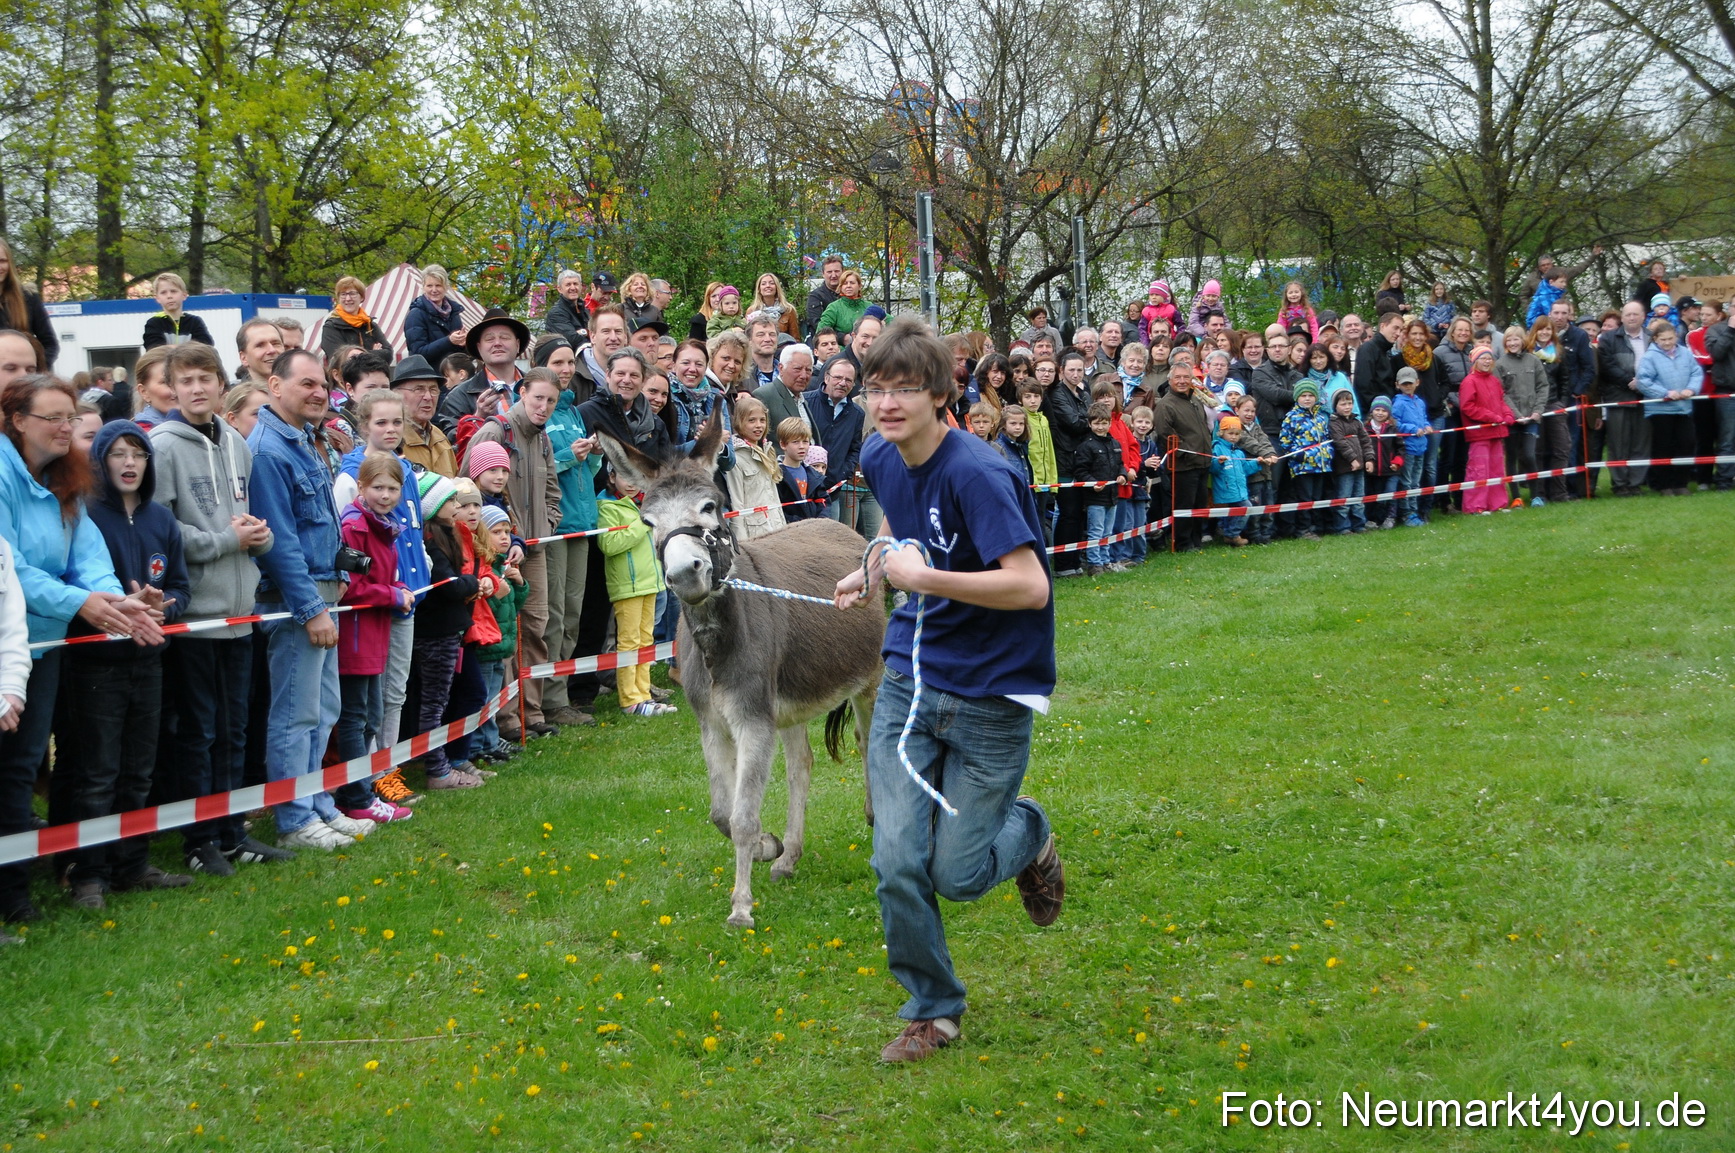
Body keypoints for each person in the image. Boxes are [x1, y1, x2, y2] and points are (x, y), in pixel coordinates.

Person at [830, 316, 1060, 1065]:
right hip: (910, 678)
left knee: (956, 875)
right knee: (896, 858)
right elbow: (903, 530)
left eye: (904, 389)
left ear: (939, 394)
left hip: (993, 692)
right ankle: (933, 1007)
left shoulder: (979, 473)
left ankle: (1030, 831)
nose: (886, 403)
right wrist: (871, 567)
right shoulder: (879, 452)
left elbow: (1028, 585)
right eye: (876, 388)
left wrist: (923, 578)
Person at [0, 375, 166, 923]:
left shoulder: (67, 476)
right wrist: (82, 603)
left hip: (43, 645)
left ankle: (14, 895)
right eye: (52, 419)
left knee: (21, 770)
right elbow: (11, 568)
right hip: (10, 638)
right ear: (17, 421)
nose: (64, 429)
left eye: (69, 419)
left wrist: (118, 602)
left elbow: (88, 556)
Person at [149, 342, 284, 874]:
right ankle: (198, 840)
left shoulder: (235, 441)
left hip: (240, 611)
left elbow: (243, 511)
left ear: (221, 384)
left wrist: (257, 536)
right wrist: (226, 541)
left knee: (233, 731)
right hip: (196, 618)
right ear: (172, 389)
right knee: (198, 732)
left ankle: (232, 832)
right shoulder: (162, 446)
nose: (197, 388)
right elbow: (160, 529)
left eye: (205, 378)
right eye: (185, 380)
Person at [50, 419, 192, 909]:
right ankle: (88, 873)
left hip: (149, 660)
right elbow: (71, 584)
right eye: (118, 454)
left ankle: (132, 863)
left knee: (138, 771)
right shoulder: (83, 514)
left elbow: (180, 586)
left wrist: (163, 605)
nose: (130, 463)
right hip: (95, 663)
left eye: (139, 454)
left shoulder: (161, 520)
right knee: (97, 772)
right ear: (100, 460)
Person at [247, 349, 377, 850]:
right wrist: (311, 608)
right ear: (275, 386)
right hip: (296, 600)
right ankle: (295, 820)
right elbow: (278, 542)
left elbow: (320, 524)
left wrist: (340, 574)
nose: (319, 393)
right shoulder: (268, 452)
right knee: (296, 713)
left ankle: (320, 804)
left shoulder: (305, 440)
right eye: (306, 384)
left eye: (322, 384)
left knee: (324, 710)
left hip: (324, 590)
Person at [465, 371, 563, 737]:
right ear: (522, 393)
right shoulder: (496, 432)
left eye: (551, 401)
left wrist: (545, 526)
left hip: (533, 551)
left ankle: (531, 713)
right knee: (502, 632)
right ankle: (504, 719)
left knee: (536, 628)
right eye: (538, 397)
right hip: (492, 555)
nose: (543, 406)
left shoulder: (543, 438)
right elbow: (466, 491)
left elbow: (553, 491)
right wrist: (498, 540)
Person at [332, 452, 415, 823]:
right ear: (361, 487)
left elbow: (384, 576)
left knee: (371, 717)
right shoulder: (355, 526)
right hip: (354, 636)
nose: (385, 495)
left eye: (393, 489)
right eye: (378, 487)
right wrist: (392, 595)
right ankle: (356, 797)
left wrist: (399, 586)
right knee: (355, 718)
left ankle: (356, 792)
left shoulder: (384, 524)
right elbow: (350, 587)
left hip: (375, 634)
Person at [410, 473, 487, 788]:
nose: (458, 506)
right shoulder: (431, 542)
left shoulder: (447, 535)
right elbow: (448, 585)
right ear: (434, 505)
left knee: (458, 695)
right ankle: (438, 769)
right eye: (452, 500)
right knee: (435, 702)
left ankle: (452, 758)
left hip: (451, 631)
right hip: (436, 632)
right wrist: (472, 583)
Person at [540, 347, 600, 727]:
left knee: (572, 615)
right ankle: (550, 699)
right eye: (556, 362)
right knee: (554, 615)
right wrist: (567, 455)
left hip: (582, 522)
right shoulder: (536, 410)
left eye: (569, 362)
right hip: (555, 528)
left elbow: (586, 472)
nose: (565, 369)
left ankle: (560, 696)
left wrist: (592, 455)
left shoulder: (573, 411)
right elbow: (539, 466)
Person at [596, 466, 673, 717]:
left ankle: (644, 694)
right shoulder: (607, 507)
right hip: (627, 586)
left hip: (651, 581)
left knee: (646, 640)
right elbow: (609, 544)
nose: (630, 483)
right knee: (629, 642)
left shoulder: (644, 504)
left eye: (634, 478)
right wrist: (642, 524)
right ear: (611, 477)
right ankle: (630, 700)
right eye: (623, 477)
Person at [472, 504, 527, 762]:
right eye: (497, 532)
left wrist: (519, 584)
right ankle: (478, 746)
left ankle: (491, 741)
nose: (505, 537)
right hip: (485, 646)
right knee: (482, 698)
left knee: (493, 698)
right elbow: (483, 609)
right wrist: (497, 593)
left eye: (507, 531)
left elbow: (515, 606)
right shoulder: (484, 570)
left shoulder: (502, 566)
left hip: (501, 646)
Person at [1148, 352, 1212, 551]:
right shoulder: (1165, 405)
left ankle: (1196, 540)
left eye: (1186, 377)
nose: (1182, 381)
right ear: (1170, 380)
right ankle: (1183, 542)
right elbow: (1166, 435)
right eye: (1178, 377)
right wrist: (1186, 453)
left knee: (1200, 505)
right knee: (1184, 506)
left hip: (1202, 463)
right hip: (1183, 466)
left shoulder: (1195, 400)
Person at [1636, 321, 1703, 495]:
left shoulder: (1685, 353)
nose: (1667, 342)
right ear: (1655, 339)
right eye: (1663, 339)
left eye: (1670, 339)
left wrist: (1691, 389)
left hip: (1683, 408)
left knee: (1686, 444)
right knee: (1663, 447)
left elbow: (1696, 372)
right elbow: (1643, 381)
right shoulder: (1649, 357)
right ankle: (1664, 485)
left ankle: (1681, 483)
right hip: (1660, 410)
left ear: (1676, 337)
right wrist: (1665, 393)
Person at [438, 308, 529, 435]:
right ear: (479, 348)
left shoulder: (537, 386)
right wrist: (478, 418)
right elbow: (451, 441)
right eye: (489, 339)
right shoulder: (458, 396)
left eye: (504, 337)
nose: (497, 343)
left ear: (517, 345)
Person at [1041, 351, 1092, 571]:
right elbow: (1074, 423)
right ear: (1062, 371)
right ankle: (1063, 564)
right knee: (1068, 513)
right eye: (1071, 369)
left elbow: (1091, 417)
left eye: (1080, 370)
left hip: (1080, 460)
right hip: (1063, 459)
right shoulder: (1057, 394)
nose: (1076, 374)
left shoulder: (1083, 392)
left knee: (1078, 513)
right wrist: (1089, 420)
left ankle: (1074, 561)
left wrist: (1087, 420)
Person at [1596, 302, 1652, 495]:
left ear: (1643, 316)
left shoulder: (1652, 337)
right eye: (1628, 314)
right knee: (1618, 443)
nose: (1632, 318)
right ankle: (1620, 484)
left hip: (1646, 397)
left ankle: (1635, 483)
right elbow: (1607, 365)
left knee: (1641, 443)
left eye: (1636, 314)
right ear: (1622, 317)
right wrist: (1629, 381)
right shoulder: (1609, 338)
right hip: (1619, 396)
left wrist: (1644, 384)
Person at [805, 356, 864, 521]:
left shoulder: (856, 414)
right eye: (838, 377)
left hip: (832, 493)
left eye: (848, 380)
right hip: (803, 489)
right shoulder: (805, 402)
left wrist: (843, 473)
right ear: (826, 378)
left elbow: (855, 448)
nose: (842, 383)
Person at [1458, 346, 1515, 514]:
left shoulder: (1494, 381)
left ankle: (1498, 503)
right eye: (1483, 358)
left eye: (1489, 358)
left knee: (1497, 468)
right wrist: (1491, 417)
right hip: (1480, 434)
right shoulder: (1469, 381)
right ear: (1475, 361)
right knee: (1479, 470)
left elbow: (1501, 401)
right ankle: (1475, 506)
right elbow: (1467, 407)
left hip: (1496, 432)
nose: (1487, 361)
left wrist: (1507, 414)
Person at [1070, 402, 1124, 575]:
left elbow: (1120, 464)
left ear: (1109, 423)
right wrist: (1093, 483)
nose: (1100, 427)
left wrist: (1122, 474)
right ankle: (1094, 563)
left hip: (1112, 496)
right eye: (1096, 423)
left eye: (1104, 423)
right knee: (1096, 531)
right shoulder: (1086, 446)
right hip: (1095, 498)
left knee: (1107, 532)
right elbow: (1080, 470)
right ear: (1090, 424)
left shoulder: (1115, 444)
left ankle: (1105, 561)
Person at [1497, 325, 1547, 506]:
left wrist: (1538, 410)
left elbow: (1543, 386)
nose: (1512, 343)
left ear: (1523, 340)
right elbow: (1501, 393)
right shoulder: (1500, 364)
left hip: (1532, 418)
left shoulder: (1534, 361)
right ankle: (1516, 497)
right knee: (1511, 456)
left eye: (1516, 339)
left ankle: (1535, 496)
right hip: (1512, 420)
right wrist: (1516, 415)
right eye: (1509, 340)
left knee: (1529, 455)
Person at [725, 396, 785, 542]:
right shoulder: (736, 457)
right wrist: (741, 541)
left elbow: (774, 498)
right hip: (753, 534)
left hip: (775, 528)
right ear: (739, 422)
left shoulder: (767, 450)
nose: (758, 425)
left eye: (762, 420)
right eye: (751, 420)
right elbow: (736, 502)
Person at [1280, 380, 1332, 538]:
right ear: (1297, 397)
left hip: (1321, 465)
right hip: (1303, 467)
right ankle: (1303, 528)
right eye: (1303, 395)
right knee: (1305, 498)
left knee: (1317, 497)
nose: (1307, 399)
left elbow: (1327, 438)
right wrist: (1299, 455)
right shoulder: (1291, 417)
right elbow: (1285, 441)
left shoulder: (1320, 418)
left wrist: (1328, 453)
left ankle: (1317, 526)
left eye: (1310, 395)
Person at [0, 243, 58, 366]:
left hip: (26, 375)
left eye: (2, 261)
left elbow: (50, 344)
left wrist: (35, 370)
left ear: (10, 263)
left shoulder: (28, 297)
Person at [1209, 416, 1261, 545]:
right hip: (1226, 489)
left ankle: (1229, 535)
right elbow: (1212, 469)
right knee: (1246, 507)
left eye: (1237, 434)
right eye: (1230, 433)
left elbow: (1245, 469)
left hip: (1239, 490)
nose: (1233, 437)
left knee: (1232, 514)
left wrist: (1257, 462)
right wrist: (1218, 462)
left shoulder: (1238, 452)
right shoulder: (1217, 448)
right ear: (1222, 433)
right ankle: (1233, 534)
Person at [1326, 390, 1372, 534]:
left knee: (1359, 497)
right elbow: (1340, 443)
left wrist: (1369, 459)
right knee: (1344, 497)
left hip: (1360, 466)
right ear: (1335, 406)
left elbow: (1366, 441)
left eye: (1349, 403)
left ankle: (1359, 524)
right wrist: (1352, 459)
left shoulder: (1357, 422)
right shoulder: (1334, 423)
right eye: (1343, 404)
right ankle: (1342, 526)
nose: (1347, 407)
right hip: (1344, 467)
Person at [404, 264, 469, 362]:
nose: (434, 290)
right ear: (423, 287)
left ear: (446, 287)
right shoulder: (416, 315)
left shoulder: (454, 312)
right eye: (429, 286)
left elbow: (460, 353)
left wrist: (463, 344)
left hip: (452, 370)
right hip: (428, 371)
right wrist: (449, 341)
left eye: (438, 285)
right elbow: (418, 354)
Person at [1704, 295, 1735, 492]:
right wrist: (1731, 330)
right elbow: (1716, 353)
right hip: (1727, 392)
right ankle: (1724, 479)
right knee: (1727, 438)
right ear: (1729, 308)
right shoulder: (1716, 329)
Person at [320, 276, 391, 358]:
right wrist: (374, 353)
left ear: (362, 297)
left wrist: (357, 354)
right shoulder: (331, 327)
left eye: (352, 294)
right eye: (343, 294)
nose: (348, 298)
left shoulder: (370, 325)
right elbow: (341, 359)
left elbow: (388, 354)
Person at [141, 273, 214, 349]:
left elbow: (206, 346)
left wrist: (171, 349)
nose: (169, 296)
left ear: (184, 295)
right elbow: (155, 349)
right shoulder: (154, 323)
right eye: (163, 292)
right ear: (157, 298)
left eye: (173, 291)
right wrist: (188, 349)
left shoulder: (194, 322)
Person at [756, 342, 814, 430]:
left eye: (808, 370)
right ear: (781, 368)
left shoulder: (803, 400)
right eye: (797, 369)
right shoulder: (764, 396)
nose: (803, 375)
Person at [775, 418, 825, 520]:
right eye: (795, 442)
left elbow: (823, 501)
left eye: (805, 441)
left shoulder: (813, 474)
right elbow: (777, 509)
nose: (801, 446)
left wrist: (821, 520)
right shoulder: (777, 475)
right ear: (783, 444)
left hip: (814, 527)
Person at [817, 270, 870, 341]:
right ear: (841, 287)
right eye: (845, 283)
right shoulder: (834, 307)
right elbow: (821, 333)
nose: (848, 286)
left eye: (852, 283)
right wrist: (841, 339)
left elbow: (885, 326)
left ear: (859, 286)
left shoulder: (869, 306)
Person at [805, 256, 845, 339]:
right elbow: (817, 324)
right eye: (829, 272)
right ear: (823, 273)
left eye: (837, 271)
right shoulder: (815, 296)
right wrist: (843, 337)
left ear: (843, 272)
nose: (833, 275)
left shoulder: (851, 295)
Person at [545, 270, 590, 344]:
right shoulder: (556, 313)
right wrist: (586, 332)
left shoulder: (584, 310)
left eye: (575, 284)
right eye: (568, 285)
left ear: (581, 286)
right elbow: (571, 339)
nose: (573, 288)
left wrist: (582, 332)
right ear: (559, 289)